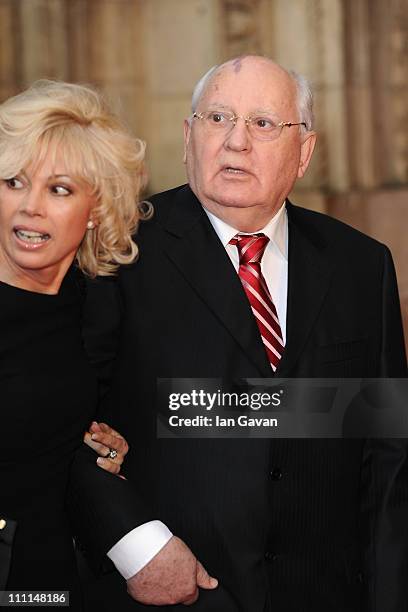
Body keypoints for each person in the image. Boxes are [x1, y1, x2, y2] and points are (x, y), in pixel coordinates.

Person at [76, 56, 408, 612]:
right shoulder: (116, 251)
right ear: (187, 137)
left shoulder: (361, 265)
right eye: (217, 119)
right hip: (175, 592)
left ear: (304, 152)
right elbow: (59, 425)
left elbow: (387, 461)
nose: (235, 142)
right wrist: (137, 545)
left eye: (263, 123)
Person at [0, 80, 147, 609]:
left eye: (59, 189)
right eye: (13, 182)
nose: (31, 207)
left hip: (53, 576)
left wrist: (103, 448)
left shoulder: (95, 302)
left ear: (96, 207)